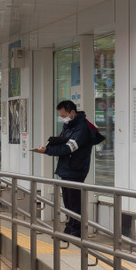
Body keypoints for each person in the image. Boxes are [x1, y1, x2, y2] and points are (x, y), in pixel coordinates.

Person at [32, 100, 99, 238]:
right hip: (66, 168)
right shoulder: (69, 125)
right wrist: (48, 148)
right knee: (68, 202)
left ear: (72, 112)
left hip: (75, 169)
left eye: (64, 115)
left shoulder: (81, 128)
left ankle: (77, 231)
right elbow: (63, 143)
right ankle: (70, 228)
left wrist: (48, 150)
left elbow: (69, 148)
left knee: (74, 202)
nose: (63, 118)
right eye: (61, 116)